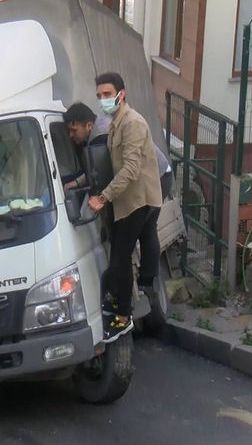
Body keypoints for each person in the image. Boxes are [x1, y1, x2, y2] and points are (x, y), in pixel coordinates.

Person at [87, 72, 162, 343]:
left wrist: (102, 198)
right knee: (121, 254)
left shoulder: (132, 123)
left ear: (122, 93)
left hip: (136, 201)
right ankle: (122, 303)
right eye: (99, 95)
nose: (103, 100)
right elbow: (111, 164)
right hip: (131, 200)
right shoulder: (115, 123)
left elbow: (130, 169)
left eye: (107, 94)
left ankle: (122, 317)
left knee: (120, 257)